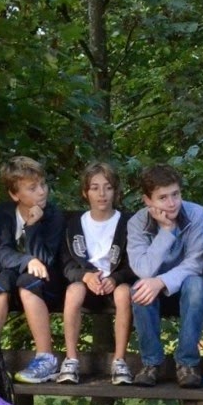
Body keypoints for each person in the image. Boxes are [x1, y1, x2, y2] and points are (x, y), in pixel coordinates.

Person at [126, 164, 203, 388]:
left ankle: (187, 363)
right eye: (162, 198)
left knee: (197, 286)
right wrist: (165, 232)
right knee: (139, 289)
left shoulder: (196, 213)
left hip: (186, 281)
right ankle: (151, 363)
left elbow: (195, 263)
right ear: (147, 200)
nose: (172, 203)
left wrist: (161, 281)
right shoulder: (136, 223)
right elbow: (143, 270)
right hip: (153, 281)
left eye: (175, 194)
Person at [0, 156, 66, 383]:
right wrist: (26, 261)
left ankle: (46, 359)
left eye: (43, 185)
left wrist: (32, 227)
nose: (42, 192)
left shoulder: (52, 216)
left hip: (48, 282)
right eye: (32, 188)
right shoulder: (3, 213)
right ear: (15, 194)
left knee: (26, 282)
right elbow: (2, 253)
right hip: (14, 275)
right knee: (0, 284)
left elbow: (46, 260)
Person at [58, 162, 136, 385]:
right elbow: (67, 263)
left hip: (115, 282)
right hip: (86, 283)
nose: (102, 194)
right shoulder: (75, 225)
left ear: (115, 191)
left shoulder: (126, 223)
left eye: (108, 187)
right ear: (86, 192)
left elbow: (134, 262)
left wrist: (116, 278)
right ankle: (71, 359)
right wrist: (85, 276)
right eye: (95, 187)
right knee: (73, 291)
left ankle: (119, 360)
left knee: (124, 294)